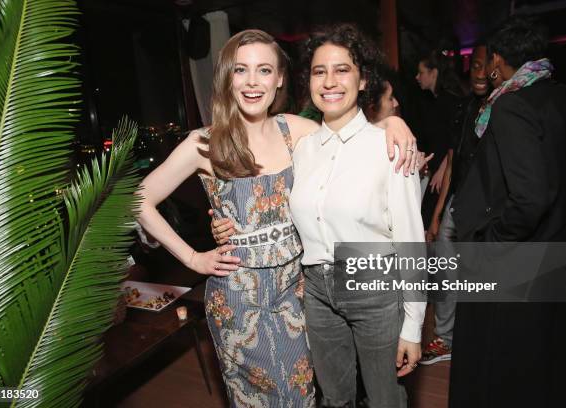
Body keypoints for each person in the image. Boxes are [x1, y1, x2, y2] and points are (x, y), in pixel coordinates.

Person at [138, 29, 417, 407]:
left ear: (280, 79)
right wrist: (193, 258)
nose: (253, 82)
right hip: (238, 300)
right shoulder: (204, 142)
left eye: (264, 70)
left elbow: (346, 135)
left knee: (303, 393)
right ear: (227, 78)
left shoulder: (295, 131)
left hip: (298, 292)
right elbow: (139, 200)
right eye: (241, 70)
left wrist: (390, 123)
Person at [449, 17, 566, 408]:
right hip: (555, 252)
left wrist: (493, 242)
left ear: (497, 60)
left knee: (501, 367)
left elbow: (530, 196)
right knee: (543, 361)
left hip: (513, 259)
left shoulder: (511, 104)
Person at [289, 24, 425, 408]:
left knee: (385, 399)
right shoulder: (303, 150)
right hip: (316, 288)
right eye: (319, 71)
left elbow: (412, 241)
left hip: (374, 284)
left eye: (342, 69)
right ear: (309, 81)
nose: (330, 81)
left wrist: (413, 325)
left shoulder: (390, 147)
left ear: (364, 79)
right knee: (334, 399)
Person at [419, 42, 491, 366]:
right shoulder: (464, 108)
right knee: (444, 269)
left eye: (485, 65)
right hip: (456, 200)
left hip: (488, 207)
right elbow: (453, 159)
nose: (479, 72)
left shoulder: (506, 108)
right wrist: (437, 215)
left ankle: (474, 340)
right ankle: (445, 338)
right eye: (474, 65)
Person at [414, 50, 462, 233]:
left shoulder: (450, 101)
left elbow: (455, 140)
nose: (417, 77)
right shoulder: (432, 101)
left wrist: (442, 171)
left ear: (434, 73)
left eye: (421, 72)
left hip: (444, 175)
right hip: (434, 172)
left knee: (431, 225)